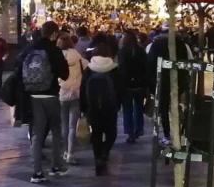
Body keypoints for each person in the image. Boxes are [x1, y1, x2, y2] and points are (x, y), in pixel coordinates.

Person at [18, 21, 69, 183]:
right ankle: (56, 166)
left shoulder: (30, 49)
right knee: (55, 130)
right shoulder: (54, 50)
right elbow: (65, 74)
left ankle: (37, 172)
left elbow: (17, 67)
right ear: (54, 34)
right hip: (51, 95)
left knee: (37, 134)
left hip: (32, 96)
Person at [80, 43, 121, 176]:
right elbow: (120, 89)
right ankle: (105, 152)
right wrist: (118, 103)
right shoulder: (114, 69)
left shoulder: (89, 69)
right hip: (110, 107)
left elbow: (82, 89)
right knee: (111, 132)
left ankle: (98, 157)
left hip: (93, 107)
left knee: (96, 133)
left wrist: (83, 107)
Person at [58, 33, 88, 165]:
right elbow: (88, 66)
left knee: (64, 125)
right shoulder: (77, 56)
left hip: (61, 93)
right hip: (76, 93)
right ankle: (70, 153)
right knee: (72, 126)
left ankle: (65, 151)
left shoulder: (57, 56)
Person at [117, 30, 147, 144]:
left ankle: (130, 132)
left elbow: (121, 69)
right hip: (139, 84)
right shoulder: (141, 51)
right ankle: (138, 130)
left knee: (127, 109)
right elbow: (145, 68)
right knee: (138, 108)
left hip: (126, 85)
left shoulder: (122, 51)